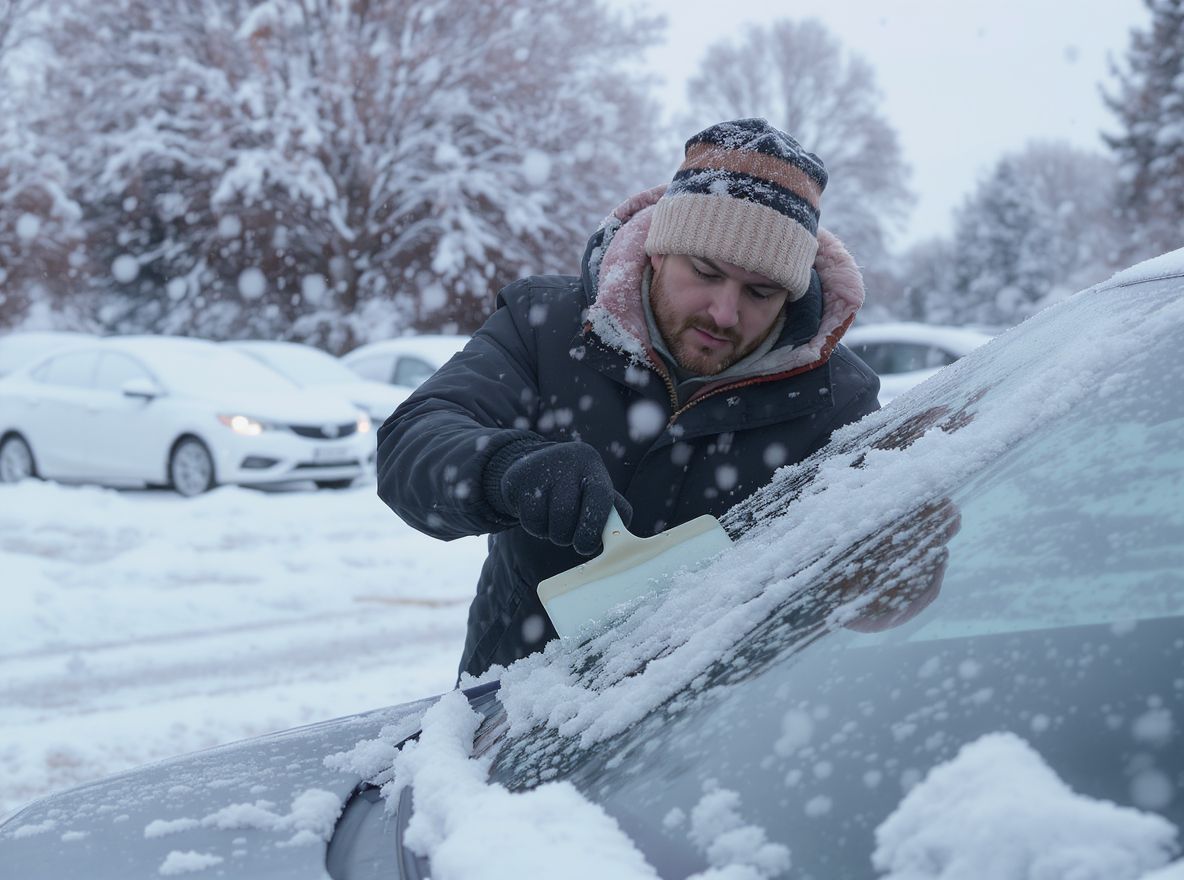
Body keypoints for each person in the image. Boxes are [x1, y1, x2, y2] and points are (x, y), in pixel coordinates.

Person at [377, 118, 880, 679]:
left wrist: (899, 561)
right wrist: (506, 467)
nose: (724, 312)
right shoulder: (547, 325)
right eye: (706, 272)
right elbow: (412, 443)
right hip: (514, 711)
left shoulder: (836, 398)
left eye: (760, 292)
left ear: (791, 296)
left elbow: (874, 583)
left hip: (735, 716)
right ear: (659, 252)